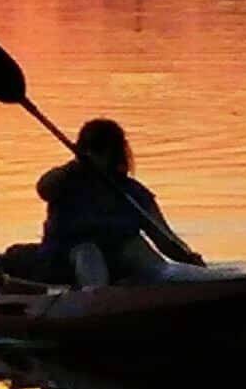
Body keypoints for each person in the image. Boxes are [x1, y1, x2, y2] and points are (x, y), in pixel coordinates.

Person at [34, 118, 204, 288]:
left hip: (118, 261)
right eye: (93, 149)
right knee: (88, 252)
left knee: (136, 246)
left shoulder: (133, 193)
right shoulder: (65, 182)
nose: (99, 155)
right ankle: (96, 299)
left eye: (103, 150)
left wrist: (188, 257)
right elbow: (43, 188)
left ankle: (196, 282)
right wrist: (74, 167)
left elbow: (163, 237)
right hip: (66, 260)